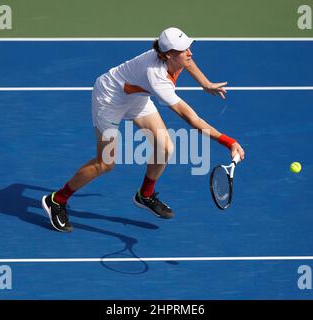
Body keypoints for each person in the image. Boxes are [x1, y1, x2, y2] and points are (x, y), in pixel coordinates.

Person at [42, 27, 245, 232]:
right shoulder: (157, 78)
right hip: (110, 99)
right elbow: (192, 118)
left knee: (165, 147)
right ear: (168, 55)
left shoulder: (174, 58)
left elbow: (188, 61)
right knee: (105, 163)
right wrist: (230, 142)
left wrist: (205, 83)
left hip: (135, 96)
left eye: (188, 47)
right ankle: (56, 200)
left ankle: (145, 195)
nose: (190, 53)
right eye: (184, 50)